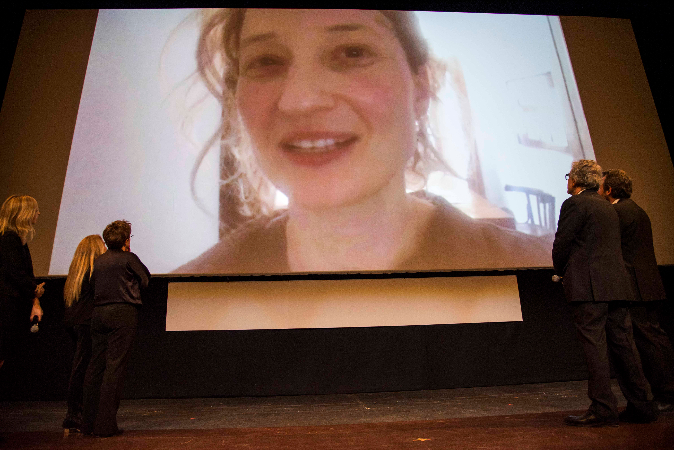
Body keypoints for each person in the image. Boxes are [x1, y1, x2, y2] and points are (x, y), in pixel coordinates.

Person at [176, 8, 551, 274]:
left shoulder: (546, 278)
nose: (300, 100)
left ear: (420, 89)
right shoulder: (185, 298)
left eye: (352, 52)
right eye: (266, 61)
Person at [552, 160, 656, 426]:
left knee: (595, 347)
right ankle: (643, 405)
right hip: (617, 285)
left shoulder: (575, 204)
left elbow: (562, 243)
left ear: (576, 180)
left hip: (589, 287)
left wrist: (560, 271)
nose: (568, 180)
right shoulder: (608, 206)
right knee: (624, 347)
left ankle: (603, 409)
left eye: (569, 176)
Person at [599, 169, 674, 413]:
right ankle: (665, 392)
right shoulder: (635, 209)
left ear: (609, 189)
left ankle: (666, 393)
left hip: (636, 286)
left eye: (600, 186)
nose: (597, 191)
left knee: (649, 341)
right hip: (645, 284)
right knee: (653, 337)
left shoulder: (620, 212)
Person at [82, 220, 150, 437]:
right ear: (126, 240)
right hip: (122, 313)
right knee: (115, 367)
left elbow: (92, 285)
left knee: (95, 366)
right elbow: (146, 280)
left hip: (99, 313)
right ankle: (105, 425)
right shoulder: (129, 258)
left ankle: (88, 423)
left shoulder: (99, 260)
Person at [62, 235, 107, 431]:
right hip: (87, 323)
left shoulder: (77, 272)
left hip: (74, 321)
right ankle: (76, 414)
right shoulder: (93, 272)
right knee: (84, 368)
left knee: (80, 366)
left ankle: (76, 412)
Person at [0, 195, 44, 371]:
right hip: (6, 305)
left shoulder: (16, 239)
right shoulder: (9, 238)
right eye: (35, 210)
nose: (38, 213)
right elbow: (16, 272)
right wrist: (34, 289)